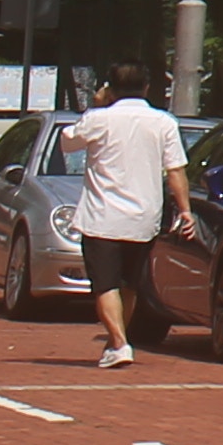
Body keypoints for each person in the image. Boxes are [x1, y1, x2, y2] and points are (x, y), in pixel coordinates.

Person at [64, 69, 187, 371]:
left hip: (102, 216)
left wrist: (97, 106)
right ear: (146, 87)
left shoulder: (100, 118)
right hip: (143, 217)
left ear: (110, 89)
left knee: (105, 284)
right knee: (128, 284)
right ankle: (115, 342)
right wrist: (185, 210)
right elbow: (176, 170)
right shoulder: (163, 123)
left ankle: (119, 343)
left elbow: (68, 142)